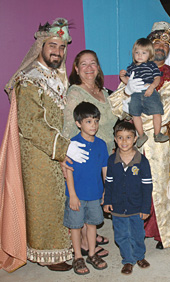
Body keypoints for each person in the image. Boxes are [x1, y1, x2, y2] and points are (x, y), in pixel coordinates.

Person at [0, 18, 90, 272]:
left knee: (67, 198)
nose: (57, 51)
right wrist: (63, 147)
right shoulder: (29, 79)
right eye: (52, 46)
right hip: (38, 155)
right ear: (41, 46)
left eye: (61, 47)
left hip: (63, 148)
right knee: (45, 201)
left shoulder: (58, 77)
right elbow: (30, 123)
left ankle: (73, 244)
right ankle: (50, 254)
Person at [109, 21, 170, 250]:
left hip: (165, 140)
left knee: (166, 188)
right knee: (139, 186)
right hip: (137, 142)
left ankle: (164, 232)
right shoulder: (133, 73)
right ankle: (138, 230)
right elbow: (115, 106)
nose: (160, 47)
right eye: (156, 42)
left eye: (166, 45)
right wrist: (127, 90)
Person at [63, 49, 118, 257]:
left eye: (93, 63)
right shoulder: (75, 92)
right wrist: (66, 155)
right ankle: (86, 243)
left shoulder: (103, 92)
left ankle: (91, 234)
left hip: (103, 153)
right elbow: (69, 125)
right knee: (85, 196)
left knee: (96, 195)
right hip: (84, 155)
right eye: (83, 64)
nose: (89, 68)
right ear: (76, 69)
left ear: (98, 67)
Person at [63, 102, 108, 275]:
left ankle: (91, 253)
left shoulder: (101, 144)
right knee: (76, 226)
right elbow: (69, 171)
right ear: (78, 123)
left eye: (96, 121)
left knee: (92, 225)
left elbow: (105, 168)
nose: (93, 125)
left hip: (95, 194)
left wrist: (106, 191)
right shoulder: (72, 144)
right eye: (88, 121)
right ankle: (77, 257)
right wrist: (72, 195)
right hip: (77, 196)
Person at [103, 122, 152, 275]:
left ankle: (139, 256)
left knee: (138, 234)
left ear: (135, 138)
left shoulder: (143, 162)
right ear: (115, 139)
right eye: (120, 138)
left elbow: (147, 187)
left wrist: (145, 208)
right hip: (117, 207)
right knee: (121, 235)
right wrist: (107, 201)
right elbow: (108, 183)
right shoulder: (112, 160)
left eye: (128, 137)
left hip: (136, 207)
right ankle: (128, 260)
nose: (124, 142)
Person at [120, 38, 169, 148]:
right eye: (137, 53)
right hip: (136, 93)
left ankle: (157, 133)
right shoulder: (131, 67)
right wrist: (123, 77)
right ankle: (141, 135)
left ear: (150, 54)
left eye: (143, 53)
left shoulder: (152, 66)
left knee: (157, 112)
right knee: (135, 114)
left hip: (149, 91)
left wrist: (152, 87)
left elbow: (157, 79)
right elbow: (129, 82)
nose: (140, 55)